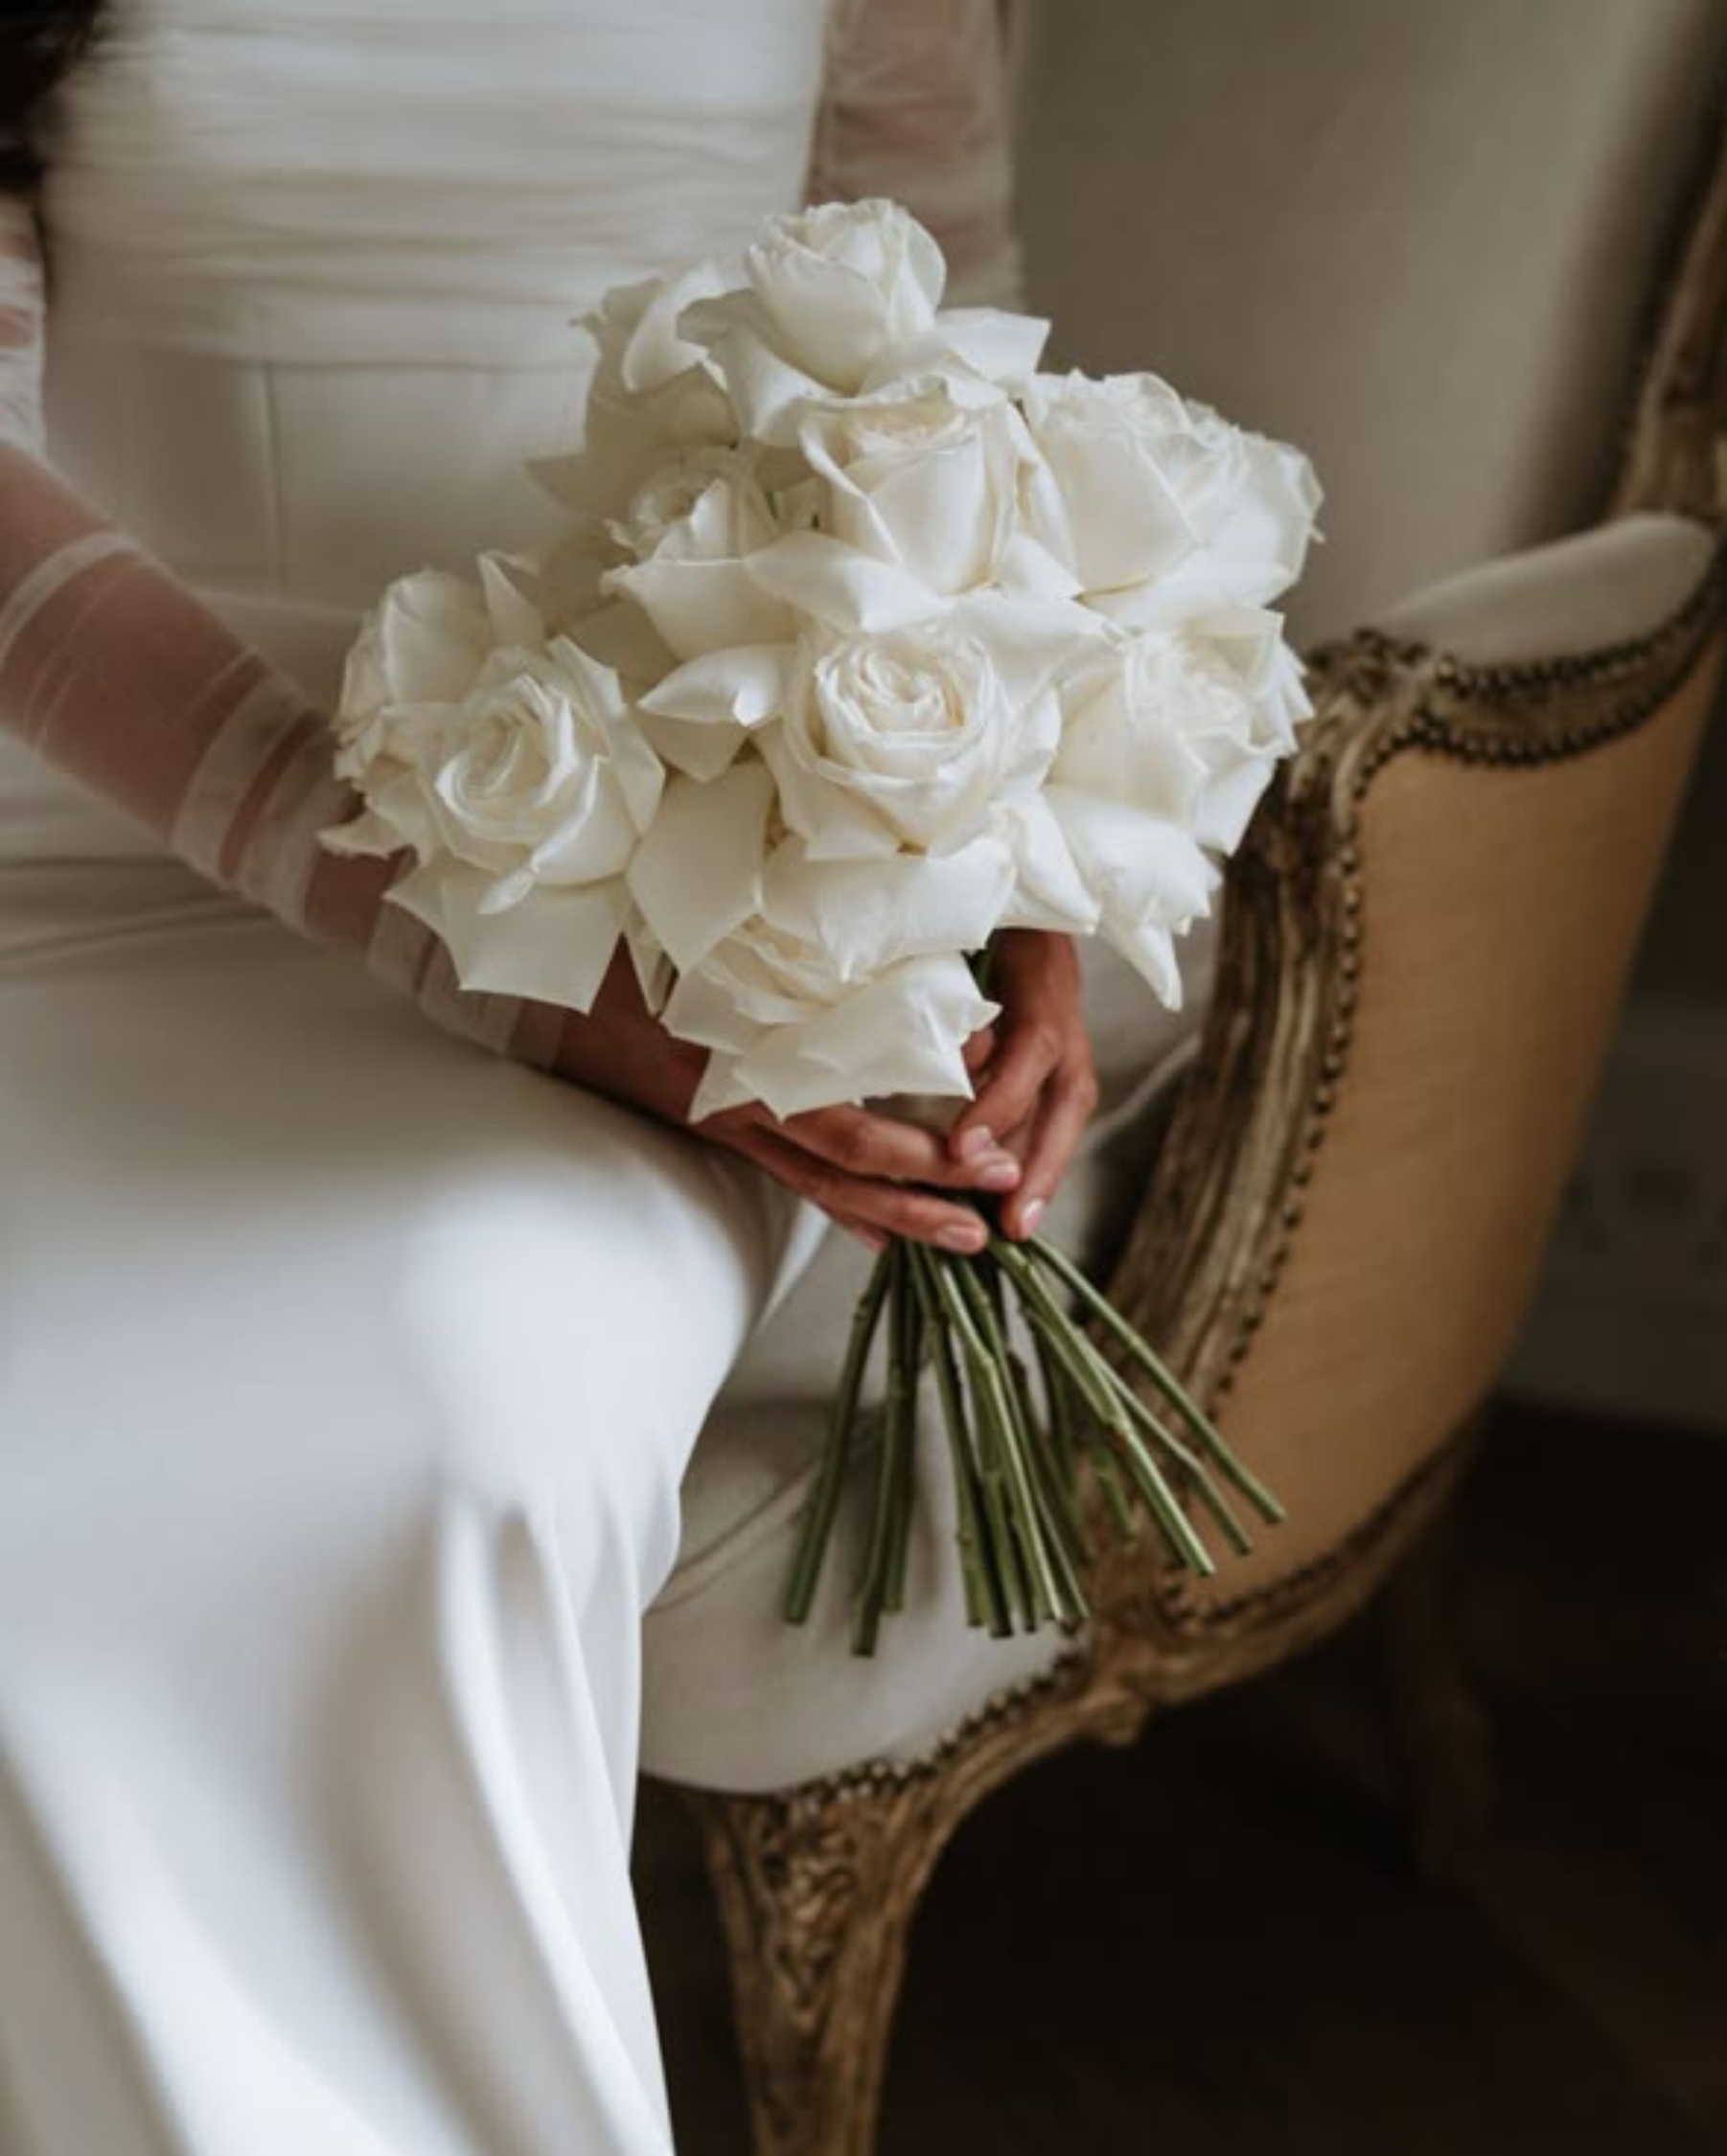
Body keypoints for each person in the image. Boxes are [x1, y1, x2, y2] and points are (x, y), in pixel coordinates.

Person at [0, 4, 1190, 2149]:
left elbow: (944, 351)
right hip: (100, 846)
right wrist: (508, 972)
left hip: (706, 891)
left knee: (456, 1438)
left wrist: (1027, 868)